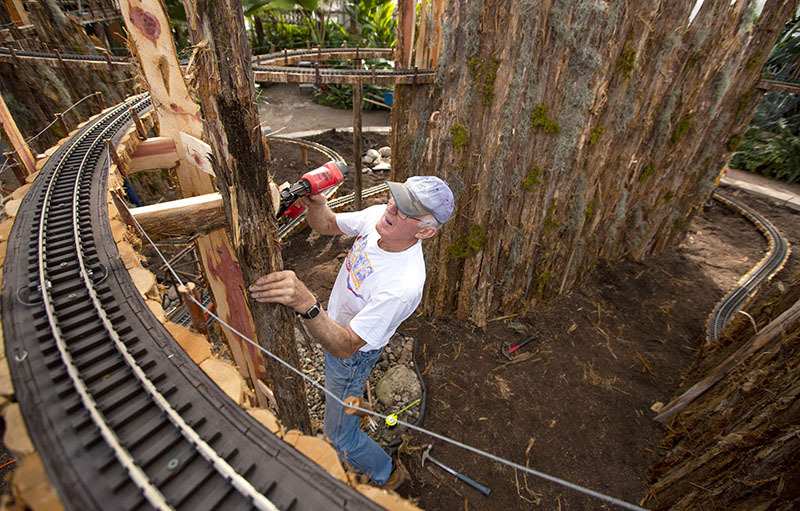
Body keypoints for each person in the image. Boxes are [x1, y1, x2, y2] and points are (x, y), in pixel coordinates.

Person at [249, 175, 455, 490]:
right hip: (338, 330)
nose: (392, 209)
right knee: (339, 401)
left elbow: (345, 347)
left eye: (405, 211)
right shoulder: (379, 218)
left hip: (352, 357)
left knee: (339, 437)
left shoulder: (402, 284)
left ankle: (387, 473)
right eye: (395, 199)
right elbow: (328, 224)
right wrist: (318, 204)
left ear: (425, 231)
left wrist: (306, 303)